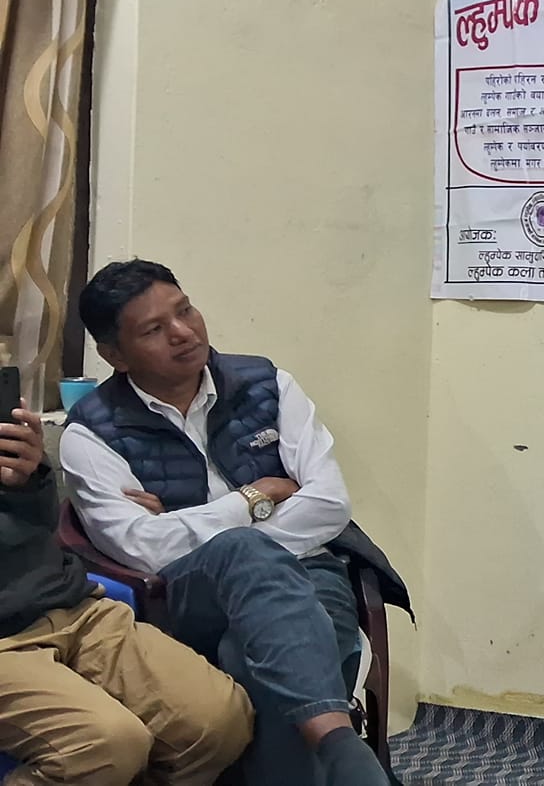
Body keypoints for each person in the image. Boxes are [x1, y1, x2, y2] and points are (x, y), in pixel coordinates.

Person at [61, 259, 409, 786]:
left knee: (250, 655)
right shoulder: (91, 433)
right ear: (115, 355)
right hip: (185, 594)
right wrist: (255, 498)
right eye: (154, 329)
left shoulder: (268, 384)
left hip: (309, 572)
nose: (183, 332)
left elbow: (329, 503)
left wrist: (187, 523)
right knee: (243, 552)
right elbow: (144, 548)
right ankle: (341, 744)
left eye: (185, 310)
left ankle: (330, 758)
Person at [0, 386, 252, 783]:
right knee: (106, 744)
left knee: (218, 720)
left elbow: (40, 524)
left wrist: (28, 479)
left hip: (68, 602)